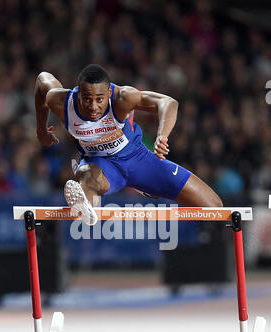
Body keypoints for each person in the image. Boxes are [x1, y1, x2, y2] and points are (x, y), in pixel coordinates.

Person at [35, 64, 222, 225]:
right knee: (88, 178)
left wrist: (162, 135)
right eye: (86, 99)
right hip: (100, 165)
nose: (93, 107)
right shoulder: (62, 101)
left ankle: (146, 187)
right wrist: (41, 130)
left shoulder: (122, 98)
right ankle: (86, 205)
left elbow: (167, 102)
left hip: (139, 161)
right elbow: (42, 80)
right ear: (78, 93)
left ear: (109, 93)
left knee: (215, 209)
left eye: (99, 99)